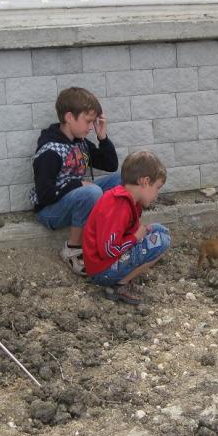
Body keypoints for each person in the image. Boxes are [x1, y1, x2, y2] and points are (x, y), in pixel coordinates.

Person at [31, 87, 120, 276]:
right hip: (50, 211)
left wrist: (102, 138)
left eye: (93, 122)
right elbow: (44, 195)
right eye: (88, 121)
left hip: (77, 198)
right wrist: (77, 185)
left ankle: (111, 236)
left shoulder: (81, 142)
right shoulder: (50, 151)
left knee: (122, 180)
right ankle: (72, 249)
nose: (91, 127)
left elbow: (110, 165)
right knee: (91, 192)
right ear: (70, 117)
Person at [83, 151, 170, 305]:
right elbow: (108, 249)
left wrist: (141, 232)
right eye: (157, 188)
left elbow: (125, 233)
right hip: (102, 270)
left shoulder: (130, 201)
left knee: (159, 231)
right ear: (145, 181)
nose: (156, 195)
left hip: (107, 263)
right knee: (160, 241)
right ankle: (119, 286)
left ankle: (121, 279)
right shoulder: (118, 206)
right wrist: (136, 237)